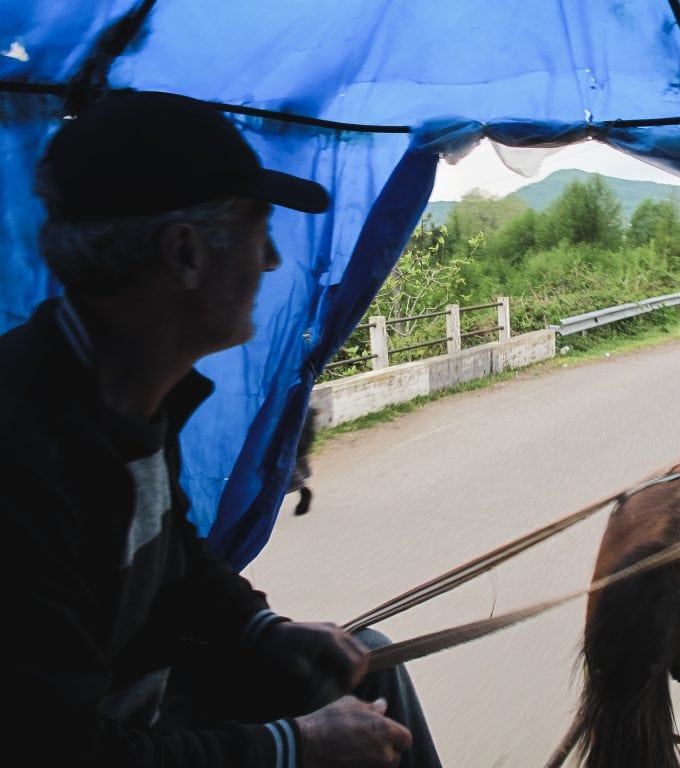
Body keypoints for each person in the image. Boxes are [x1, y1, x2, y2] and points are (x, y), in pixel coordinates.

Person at [0, 90, 443, 768]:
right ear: (185, 254)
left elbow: (172, 551)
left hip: (142, 703)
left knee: (369, 661)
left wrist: (260, 629)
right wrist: (291, 749)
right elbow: (56, 747)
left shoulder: (131, 391)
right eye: (258, 229)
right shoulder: (24, 451)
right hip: (98, 734)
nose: (268, 260)